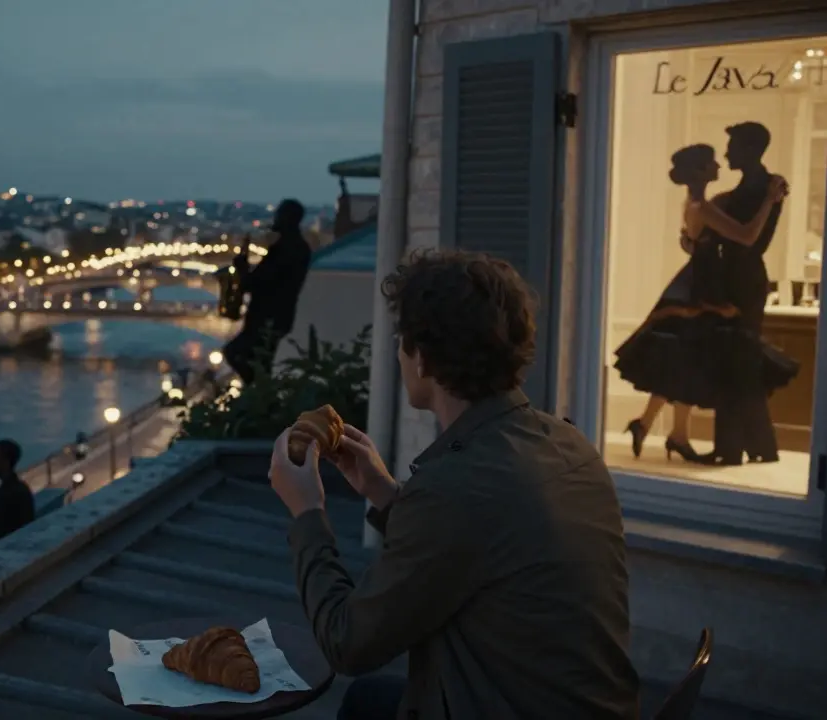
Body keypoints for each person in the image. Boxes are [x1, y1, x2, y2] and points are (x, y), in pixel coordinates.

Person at [268, 249, 640, 719]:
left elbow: (348, 644)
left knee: (363, 698)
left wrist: (307, 514)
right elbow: (481, 547)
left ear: (421, 358)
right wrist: (384, 492)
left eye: (403, 340)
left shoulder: (456, 487)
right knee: (369, 704)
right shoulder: (568, 444)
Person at [614, 143, 788, 462]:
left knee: (686, 357)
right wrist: (768, 200)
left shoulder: (698, 204)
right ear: (699, 172)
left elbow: (695, 240)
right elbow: (748, 236)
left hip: (697, 283)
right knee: (692, 356)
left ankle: (659, 428)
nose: (719, 165)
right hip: (702, 288)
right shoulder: (703, 208)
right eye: (711, 163)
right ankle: (668, 432)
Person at [704, 121, 794, 465]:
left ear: (750, 149)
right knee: (734, 362)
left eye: (733, 147)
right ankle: (743, 447)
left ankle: (739, 447)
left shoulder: (763, 188)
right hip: (736, 277)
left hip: (744, 280)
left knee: (738, 361)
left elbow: (750, 238)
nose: (727, 153)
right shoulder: (752, 187)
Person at [221, 199, 312, 384]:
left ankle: (257, 393)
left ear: (287, 218)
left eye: (278, 215)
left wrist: (242, 268)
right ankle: (259, 394)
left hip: (265, 319)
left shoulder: (284, 250)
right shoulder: (299, 248)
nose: (275, 219)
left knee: (236, 354)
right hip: (278, 317)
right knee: (260, 362)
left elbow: (255, 283)